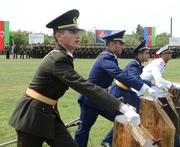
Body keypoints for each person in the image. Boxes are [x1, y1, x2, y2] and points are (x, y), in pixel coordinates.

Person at [8, 9, 140, 147]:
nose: (77, 35)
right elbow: (84, 86)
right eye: (72, 32)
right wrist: (122, 107)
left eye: (77, 32)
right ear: (59, 36)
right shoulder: (58, 59)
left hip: (46, 113)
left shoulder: (63, 56)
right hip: (31, 116)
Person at [74, 31, 156, 147]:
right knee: (83, 130)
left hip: (103, 98)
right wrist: (144, 86)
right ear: (112, 45)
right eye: (120, 44)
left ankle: (114, 142)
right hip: (91, 99)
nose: (123, 47)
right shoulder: (106, 59)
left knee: (124, 119)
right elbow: (120, 75)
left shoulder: (110, 58)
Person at [101, 40, 158, 146]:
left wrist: (150, 85)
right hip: (119, 91)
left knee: (143, 107)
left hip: (127, 91)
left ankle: (143, 134)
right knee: (122, 117)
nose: (148, 55)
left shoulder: (138, 64)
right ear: (139, 54)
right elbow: (134, 79)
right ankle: (107, 140)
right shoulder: (133, 65)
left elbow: (136, 80)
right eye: (146, 53)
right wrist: (150, 85)